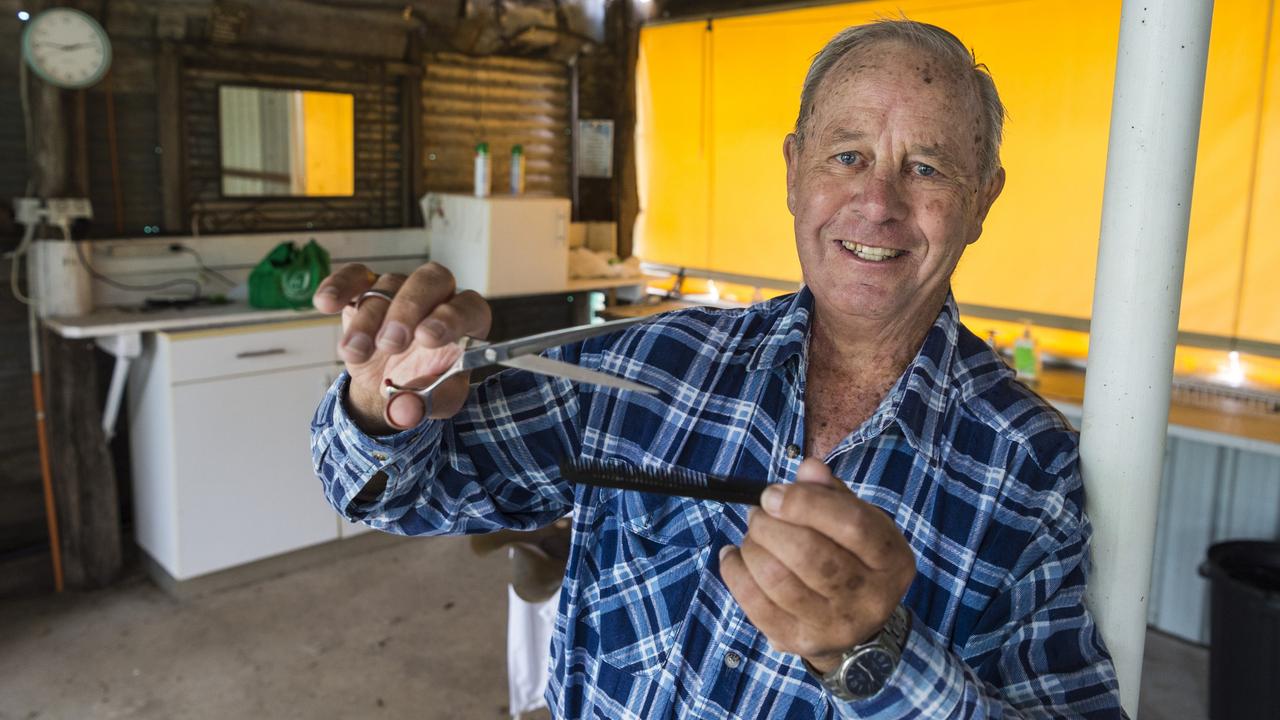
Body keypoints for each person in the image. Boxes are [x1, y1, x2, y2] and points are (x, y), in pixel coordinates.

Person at [310, 18, 1124, 719]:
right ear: (793, 170)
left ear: (983, 199)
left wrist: (876, 657)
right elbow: (404, 491)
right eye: (846, 156)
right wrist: (383, 400)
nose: (877, 203)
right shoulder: (654, 361)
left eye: (927, 168)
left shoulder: (1029, 469)